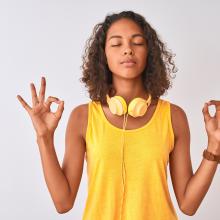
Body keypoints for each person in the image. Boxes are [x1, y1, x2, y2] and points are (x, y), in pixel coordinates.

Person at [17, 10, 220, 220]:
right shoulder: (82, 117)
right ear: (103, 54)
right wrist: (44, 138)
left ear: (149, 52)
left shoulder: (173, 117)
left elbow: (188, 205)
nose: (128, 50)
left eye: (138, 42)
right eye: (116, 44)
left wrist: (214, 144)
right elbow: (63, 203)